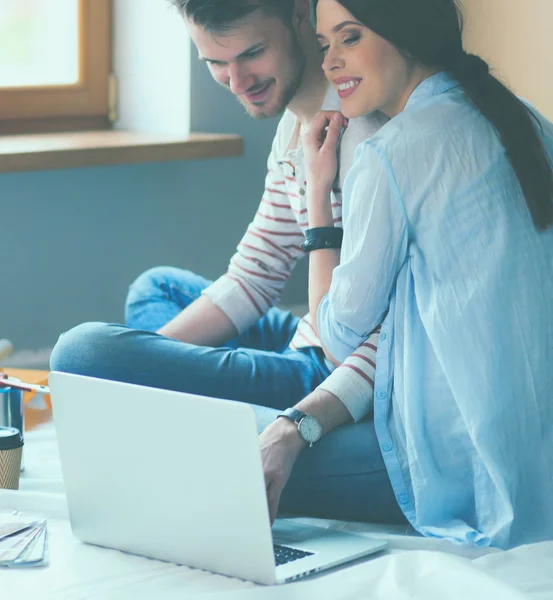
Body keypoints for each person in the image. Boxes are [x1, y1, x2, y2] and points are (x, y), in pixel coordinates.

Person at [50, 0, 406, 527]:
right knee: (157, 289)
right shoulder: (296, 127)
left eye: (252, 53)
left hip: (336, 374)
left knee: (82, 352)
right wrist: (146, 363)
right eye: (214, 62)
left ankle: (176, 417)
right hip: (305, 341)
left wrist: (131, 371)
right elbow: (252, 275)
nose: (236, 80)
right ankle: (172, 407)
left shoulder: (367, 137)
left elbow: (359, 339)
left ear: (298, 18)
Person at [303, 0, 553, 550]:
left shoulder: (391, 153)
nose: (330, 64)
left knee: (227, 449)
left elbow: (339, 337)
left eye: (349, 38)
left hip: (466, 466)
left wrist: (317, 197)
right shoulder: (533, 123)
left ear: (405, 33)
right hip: (539, 452)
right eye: (325, 46)